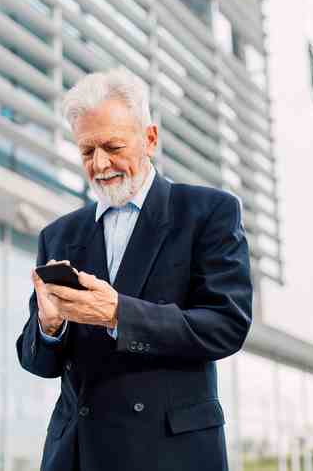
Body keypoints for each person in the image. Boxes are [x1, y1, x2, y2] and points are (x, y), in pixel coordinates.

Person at [16, 67, 253, 471]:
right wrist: (49, 325)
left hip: (170, 453)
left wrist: (118, 313)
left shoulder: (209, 212)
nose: (100, 163)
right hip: (78, 454)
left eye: (112, 146)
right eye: (87, 152)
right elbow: (37, 361)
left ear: (150, 139)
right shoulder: (58, 235)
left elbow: (227, 324)